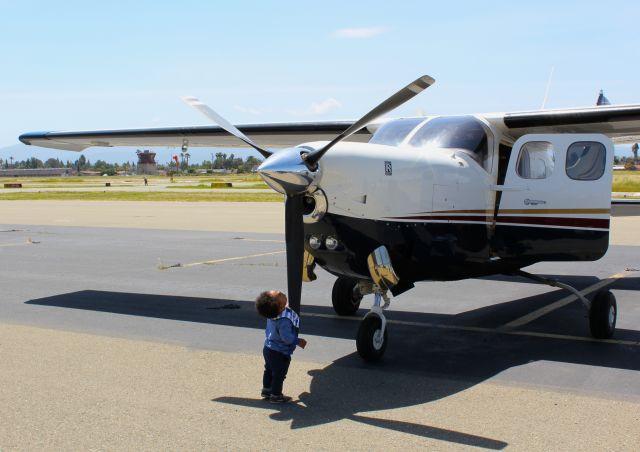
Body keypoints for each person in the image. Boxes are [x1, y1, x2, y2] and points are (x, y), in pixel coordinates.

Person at [255, 290, 307, 403]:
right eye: (280, 295)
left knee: (268, 369)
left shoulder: (272, 313)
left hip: (268, 348)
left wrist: (283, 305)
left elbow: (280, 307)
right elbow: (286, 338)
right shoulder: (284, 320)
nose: (281, 292)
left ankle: (266, 390)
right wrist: (298, 341)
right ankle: (276, 395)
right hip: (279, 353)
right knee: (279, 374)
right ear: (279, 306)